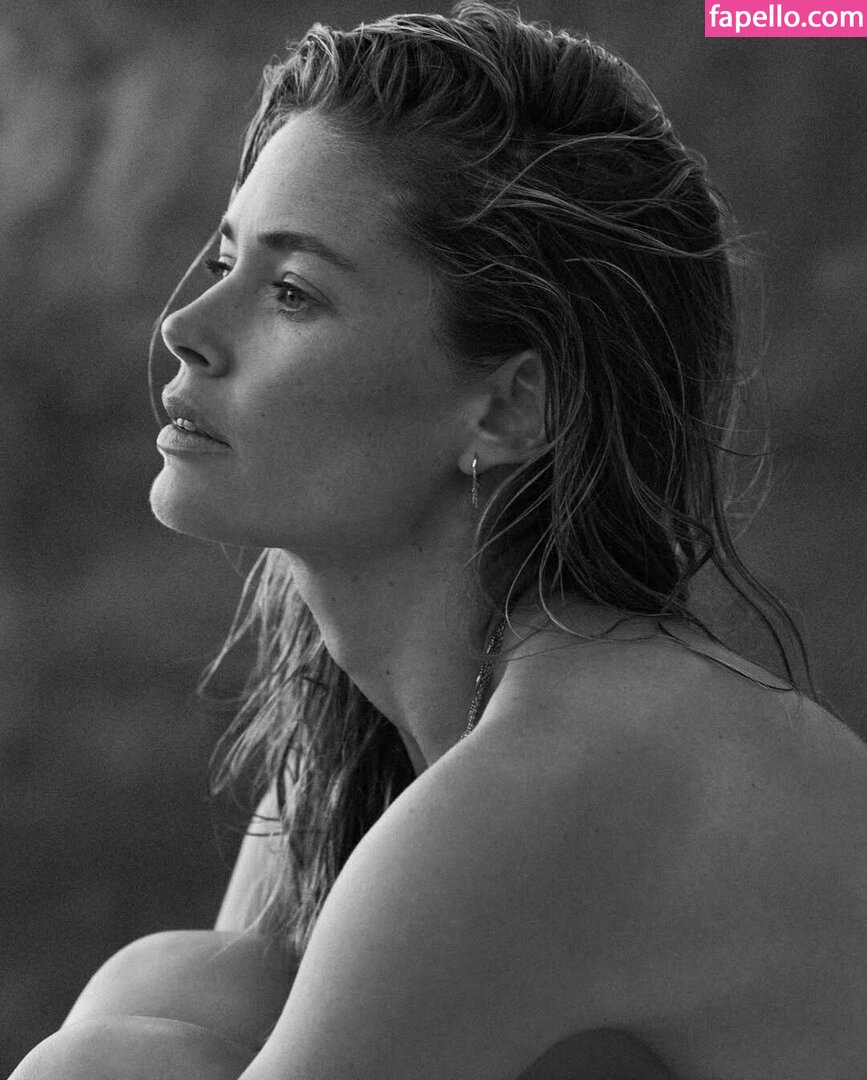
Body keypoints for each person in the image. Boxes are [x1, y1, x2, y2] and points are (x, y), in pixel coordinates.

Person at [11, 3, 867, 1078]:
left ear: (506, 409)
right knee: (184, 987)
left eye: (291, 292)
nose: (186, 328)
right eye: (226, 260)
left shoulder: (565, 774)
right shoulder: (383, 744)